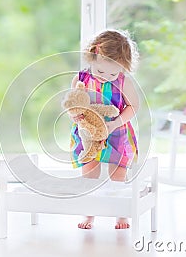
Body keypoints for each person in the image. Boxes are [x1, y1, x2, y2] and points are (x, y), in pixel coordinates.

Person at [69, 29, 140, 229]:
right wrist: (74, 115)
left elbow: (133, 106)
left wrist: (115, 123)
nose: (105, 77)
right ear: (92, 57)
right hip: (89, 132)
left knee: (117, 173)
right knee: (89, 172)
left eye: (112, 73)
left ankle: (121, 213)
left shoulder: (123, 82)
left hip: (116, 131)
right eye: (100, 72)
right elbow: (71, 102)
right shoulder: (81, 78)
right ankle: (89, 213)